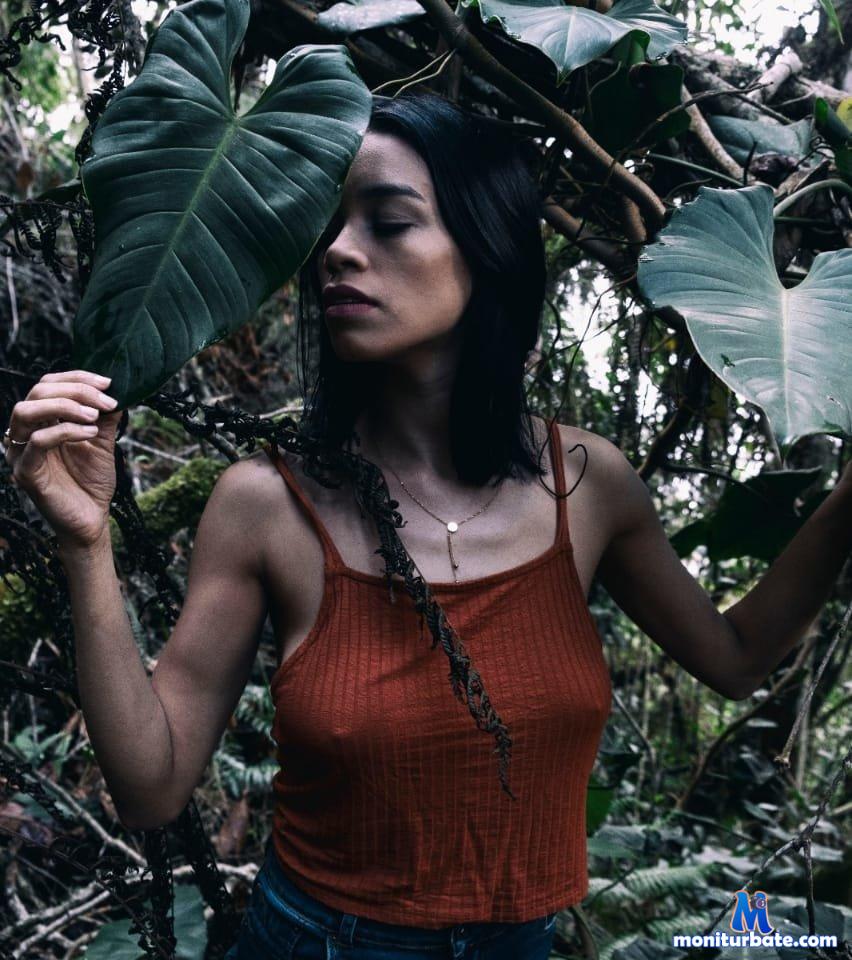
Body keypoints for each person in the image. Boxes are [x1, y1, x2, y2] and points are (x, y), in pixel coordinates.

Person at [4, 91, 851, 960]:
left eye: (390, 222)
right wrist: (86, 542)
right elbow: (151, 789)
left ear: (487, 249)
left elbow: (736, 658)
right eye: (332, 226)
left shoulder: (588, 485)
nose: (338, 251)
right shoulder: (266, 504)